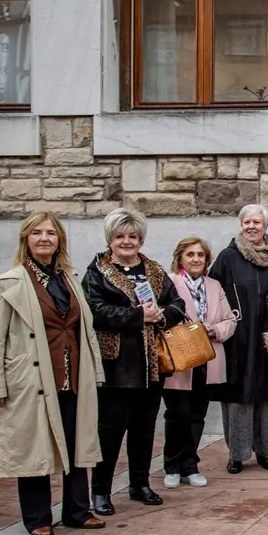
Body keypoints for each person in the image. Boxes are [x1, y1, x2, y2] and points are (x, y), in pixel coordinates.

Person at [0, 212, 106, 535]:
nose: (44, 238)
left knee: (77, 443)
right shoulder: (8, 282)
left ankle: (78, 511)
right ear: (26, 239)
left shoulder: (69, 278)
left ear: (59, 241)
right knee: (34, 447)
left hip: (72, 376)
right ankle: (37, 517)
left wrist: (95, 372)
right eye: (37, 233)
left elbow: (85, 329)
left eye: (50, 233)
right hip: (32, 379)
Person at [83, 208, 186, 515]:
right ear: (110, 239)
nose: (126, 242)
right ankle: (100, 491)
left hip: (152, 364)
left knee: (144, 428)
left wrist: (162, 315)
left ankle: (139, 484)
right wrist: (138, 315)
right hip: (116, 365)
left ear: (140, 239)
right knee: (110, 431)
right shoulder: (97, 272)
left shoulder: (153, 269)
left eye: (132, 236)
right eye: (120, 236)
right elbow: (96, 312)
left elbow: (176, 304)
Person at [209, 204, 268, 474]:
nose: (251, 227)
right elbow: (215, 295)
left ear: (265, 226)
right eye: (247, 222)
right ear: (241, 225)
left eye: (256, 223)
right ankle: (237, 454)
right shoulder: (227, 257)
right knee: (239, 396)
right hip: (239, 339)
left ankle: (267, 453)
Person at [162, 237, 237, 490]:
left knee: (197, 414)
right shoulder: (169, 282)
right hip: (180, 358)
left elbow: (230, 320)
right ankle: (172, 465)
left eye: (200, 255)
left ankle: (190, 465)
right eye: (190, 254)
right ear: (180, 258)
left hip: (209, 355)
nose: (195, 259)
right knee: (177, 414)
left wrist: (212, 329)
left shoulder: (214, 285)